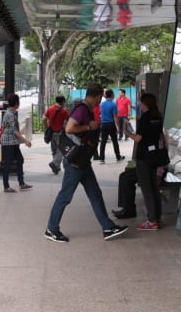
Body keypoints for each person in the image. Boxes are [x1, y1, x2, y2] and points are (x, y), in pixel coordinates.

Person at [44, 83, 128, 243]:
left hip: (82, 161)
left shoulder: (86, 108)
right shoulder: (82, 109)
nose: (99, 102)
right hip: (75, 162)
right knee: (65, 196)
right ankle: (51, 229)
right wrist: (88, 126)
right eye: (99, 99)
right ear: (97, 96)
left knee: (95, 193)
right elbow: (69, 128)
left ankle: (108, 227)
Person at [125, 92, 167, 231]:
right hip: (155, 156)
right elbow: (160, 135)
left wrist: (128, 133)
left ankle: (152, 221)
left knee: (146, 188)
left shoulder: (145, 118)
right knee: (154, 186)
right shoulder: (157, 117)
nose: (139, 105)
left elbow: (138, 139)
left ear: (144, 104)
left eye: (140, 103)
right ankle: (158, 218)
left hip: (144, 157)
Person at [0, 93, 33, 192]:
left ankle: (21, 183)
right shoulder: (10, 115)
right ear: (16, 103)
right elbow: (15, 131)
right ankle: (6, 186)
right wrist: (26, 141)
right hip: (9, 142)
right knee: (8, 163)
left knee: (19, 160)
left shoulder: (11, 113)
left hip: (13, 142)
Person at [43, 95, 70, 174]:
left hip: (51, 133)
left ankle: (56, 167)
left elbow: (44, 119)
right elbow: (67, 121)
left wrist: (47, 127)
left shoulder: (50, 109)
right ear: (62, 101)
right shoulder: (64, 111)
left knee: (54, 150)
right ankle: (54, 163)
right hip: (60, 133)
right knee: (61, 150)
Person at [98, 88, 125, 163]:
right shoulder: (113, 104)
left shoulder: (102, 104)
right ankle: (118, 156)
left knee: (103, 141)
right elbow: (115, 117)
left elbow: (101, 114)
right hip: (111, 124)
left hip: (103, 124)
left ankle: (102, 158)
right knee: (115, 141)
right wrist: (118, 127)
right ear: (112, 95)